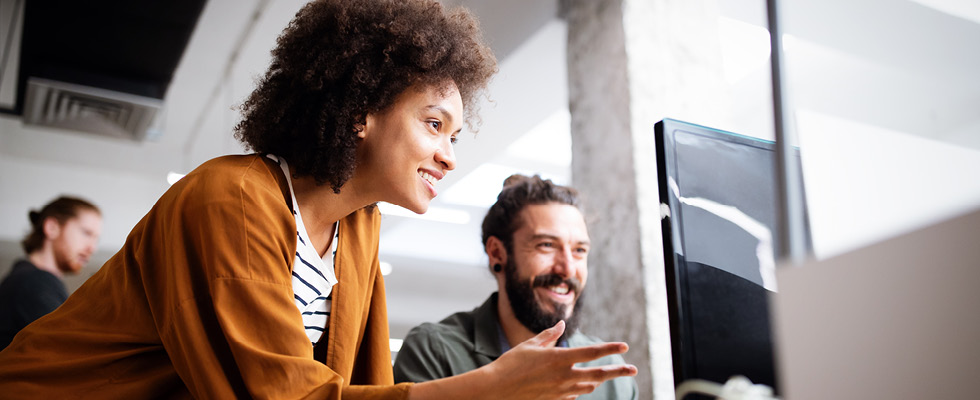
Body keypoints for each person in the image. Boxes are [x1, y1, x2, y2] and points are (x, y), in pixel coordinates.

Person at [0, 1, 636, 398]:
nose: (449, 154)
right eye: (433, 124)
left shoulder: (358, 230)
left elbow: (357, 383)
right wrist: (488, 388)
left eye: (455, 134)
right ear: (361, 112)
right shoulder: (231, 201)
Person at [393, 175, 640, 399]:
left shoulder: (609, 372)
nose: (566, 268)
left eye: (579, 250)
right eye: (546, 245)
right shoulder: (434, 352)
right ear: (497, 253)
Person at [0, 196, 102, 351]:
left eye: (96, 239)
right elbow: (70, 353)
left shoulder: (26, 278)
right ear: (52, 227)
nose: (92, 248)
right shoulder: (35, 281)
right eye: (86, 233)